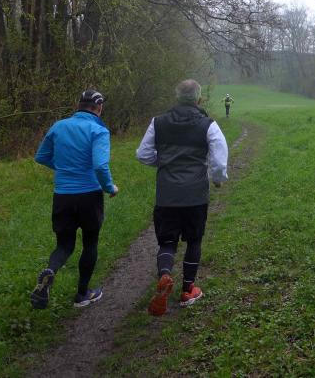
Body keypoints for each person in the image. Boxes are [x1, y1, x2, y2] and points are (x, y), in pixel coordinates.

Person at [136, 79, 228, 316]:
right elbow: (219, 160)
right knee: (194, 241)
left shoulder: (158, 122)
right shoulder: (208, 124)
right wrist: (217, 178)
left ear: (177, 98)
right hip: (195, 195)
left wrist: (164, 163)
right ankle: (188, 290)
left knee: (167, 242)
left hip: (167, 194)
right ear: (199, 99)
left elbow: (143, 154)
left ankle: (165, 274)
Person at [30, 90, 119, 310]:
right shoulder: (98, 130)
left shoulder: (58, 126)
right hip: (89, 196)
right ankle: (82, 294)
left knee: (64, 245)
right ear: (99, 107)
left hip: (63, 196)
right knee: (90, 242)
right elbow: (100, 165)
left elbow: (41, 156)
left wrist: (64, 168)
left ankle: (50, 271)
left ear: (78, 105)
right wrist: (110, 187)